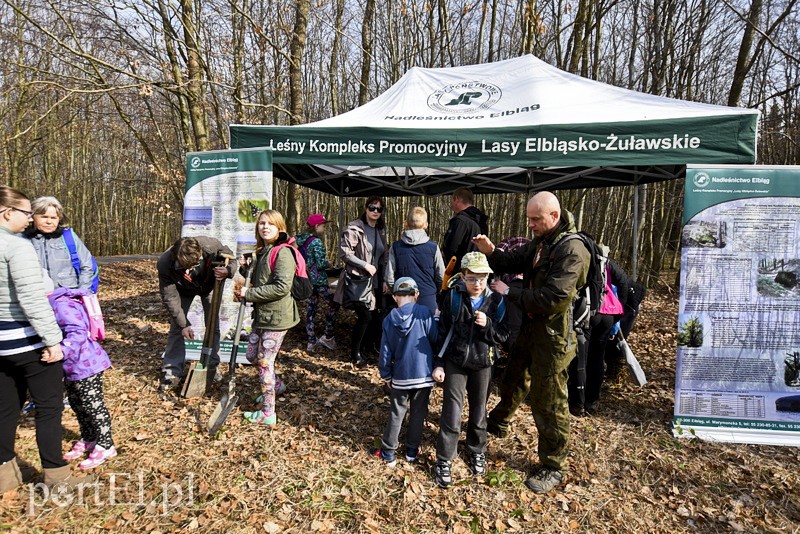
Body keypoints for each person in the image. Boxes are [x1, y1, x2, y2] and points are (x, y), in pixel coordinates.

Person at [474, 191, 589, 494]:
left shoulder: (572, 249)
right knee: (513, 377)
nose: (531, 225)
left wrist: (511, 293)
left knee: (548, 400)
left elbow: (554, 298)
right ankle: (498, 423)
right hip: (530, 327)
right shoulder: (543, 242)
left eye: (536, 219)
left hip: (553, 336)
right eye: (529, 219)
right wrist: (491, 252)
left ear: (554, 216)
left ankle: (553, 465)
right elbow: (514, 260)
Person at [0, 186, 83, 491]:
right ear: (8, 212)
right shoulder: (17, 246)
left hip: (1, 344)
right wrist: (52, 341)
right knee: (49, 409)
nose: (29, 219)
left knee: (6, 408)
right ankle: (56, 478)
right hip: (26, 340)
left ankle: (5, 477)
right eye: (25, 212)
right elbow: (32, 298)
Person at [27, 197, 116, 468]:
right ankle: (89, 437)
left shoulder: (67, 238)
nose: (49, 220)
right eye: (44, 216)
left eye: (54, 216)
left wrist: (81, 293)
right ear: (33, 217)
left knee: (91, 401)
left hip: (70, 320)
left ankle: (105, 443)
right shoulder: (24, 241)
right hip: (44, 309)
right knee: (77, 399)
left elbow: (88, 266)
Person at [432, 252, 509, 489]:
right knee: (452, 412)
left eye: (482, 278)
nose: (477, 283)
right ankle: (444, 459)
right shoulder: (453, 297)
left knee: (478, 412)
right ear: (462, 277)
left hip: (483, 363)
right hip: (455, 361)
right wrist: (439, 363)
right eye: (472, 278)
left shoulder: (496, 301)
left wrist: (487, 326)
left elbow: (503, 336)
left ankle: (477, 450)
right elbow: (443, 331)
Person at [237, 210, 299, 425]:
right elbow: (258, 280)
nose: (265, 227)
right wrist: (246, 270)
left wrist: (249, 294)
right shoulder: (263, 251)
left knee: (264, 362)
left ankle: (268, 412)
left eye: (270, 224)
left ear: (279, 228)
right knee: (252, 355)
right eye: (262, 223)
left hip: (278, 317)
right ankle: (277, 385)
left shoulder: (284, 253)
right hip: (262, 315)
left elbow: (282, 287)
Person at [369, 277, 437, 466]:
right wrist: (436, 319)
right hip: (423, 375)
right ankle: (411, 451)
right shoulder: (424, 312)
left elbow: (385, 350)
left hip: (400, 375)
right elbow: (435, 337)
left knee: (397, 412)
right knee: (418, 412)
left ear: (394, 297)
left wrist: (386, 374)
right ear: (416, 294)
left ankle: (388, 452)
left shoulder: (389, 318)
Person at [156, 236, 238, 390]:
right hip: (183, 290)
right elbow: (170, 297)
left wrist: (227, 270)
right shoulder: (165, 263)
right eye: (183, 266)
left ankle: (211, 365)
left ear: (200, 254)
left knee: (213, 326)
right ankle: (172, 371)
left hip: (208, 286)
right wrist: (184, 325)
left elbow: (232, 260)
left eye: (192, 266)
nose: (188, 270)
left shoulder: (211, 246)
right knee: (177, 327)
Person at [334, 196, 388, 367]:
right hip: (359, 279)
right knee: (364, 316)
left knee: (374, 316)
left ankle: (366, 348)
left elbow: (384, 256)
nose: (375, 212)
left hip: (376, 281)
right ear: (366, 208)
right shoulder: (355, 228)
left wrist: (387, 279)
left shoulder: (380, 231)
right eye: (372, 208)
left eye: (379, 209)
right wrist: (364, 265)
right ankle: (355, 352)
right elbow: (345, 253)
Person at [568, 257, 625, 416]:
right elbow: (624, 283)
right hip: (608, 312)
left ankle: (577, 403)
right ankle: (592, 401)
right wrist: (620, 313)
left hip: (585, 312)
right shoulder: (607, 261)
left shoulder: (579, 257)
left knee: (581, 358)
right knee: (598, 357)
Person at [384, 207, 445, 313]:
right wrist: (434, 291)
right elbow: (441, 276)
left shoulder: (395, 247)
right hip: (428, 297)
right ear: (426, 225)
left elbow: (389, 277)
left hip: (403, 298)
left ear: (406, 223)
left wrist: (398, 292)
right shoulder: (433, 247)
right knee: (429, 328)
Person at [296, 213, 339, 353]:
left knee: (311, 309)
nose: (324, 228)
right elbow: (320, 264)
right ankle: (328, 336)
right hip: (319, 281)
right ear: (316, 226)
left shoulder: (299, 239)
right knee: (334, 304)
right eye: (323, 225)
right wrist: (329, 264)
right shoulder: (316, 242)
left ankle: (311, 341)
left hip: (306, 280)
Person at [494, 235, 530, 351]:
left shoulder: (507, 242)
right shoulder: (531, 245)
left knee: (513, 324)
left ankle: (512, 354)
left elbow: (497, 259)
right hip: (529, 288)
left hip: (511, 286)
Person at [441, 188, 488, 270]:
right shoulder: (481, 221)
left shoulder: (460, 221)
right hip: (478, 270)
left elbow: (451, 248)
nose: (451, 204)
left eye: (452, 200)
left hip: (461, 272)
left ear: (456, 199)